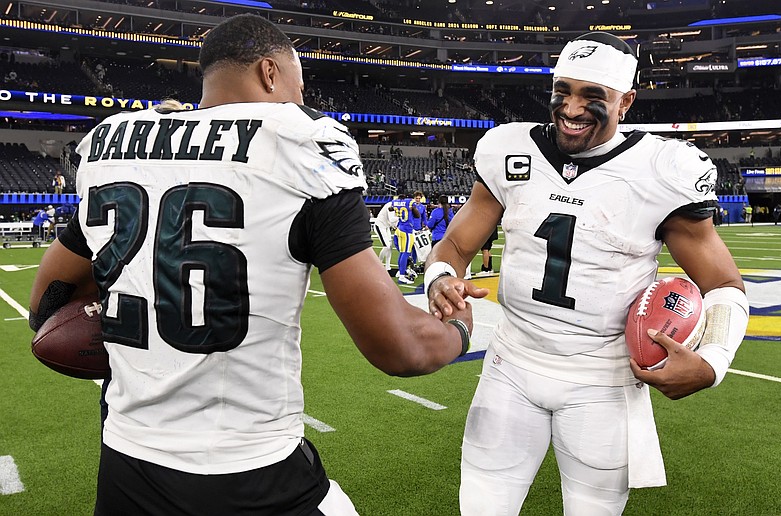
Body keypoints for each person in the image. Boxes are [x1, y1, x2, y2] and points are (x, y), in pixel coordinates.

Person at [28, 14, 474, 516]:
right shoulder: (300, 142)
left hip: (126, 461)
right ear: (269, 72)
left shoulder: (112, 140)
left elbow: (49, 299)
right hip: (251, 470)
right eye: (297, 87)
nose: (300, 101)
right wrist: (459, 327)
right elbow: (402, 350)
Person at [423, 32, 748, 516]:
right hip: (510, 364)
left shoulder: (662, 168)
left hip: (602, 378)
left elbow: (722, 283)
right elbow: (454, 245)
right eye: (563, 91)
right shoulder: (508, 148)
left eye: (592, 96)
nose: (572, 108)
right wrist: (441, 278)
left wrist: (715, 359)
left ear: (627, 101)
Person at [392, 193, 420, 285]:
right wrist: (413, 209)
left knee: (402, 252)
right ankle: (402, 276)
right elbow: (417, 215)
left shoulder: (394, 202)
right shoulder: (409, 202)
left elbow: (390, 208)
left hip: (399, 228)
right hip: (407, 230)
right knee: (406, 253)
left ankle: (400, 272)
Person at [373, 200, 398, 272]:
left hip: (386, 227)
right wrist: (401, 217)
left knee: (389, 247)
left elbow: (393, 222)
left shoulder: (396, 207)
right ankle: (378, 264)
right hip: (380, 226)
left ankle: (387, 266)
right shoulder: (390, 206)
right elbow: (392, 219)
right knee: (386, 246)